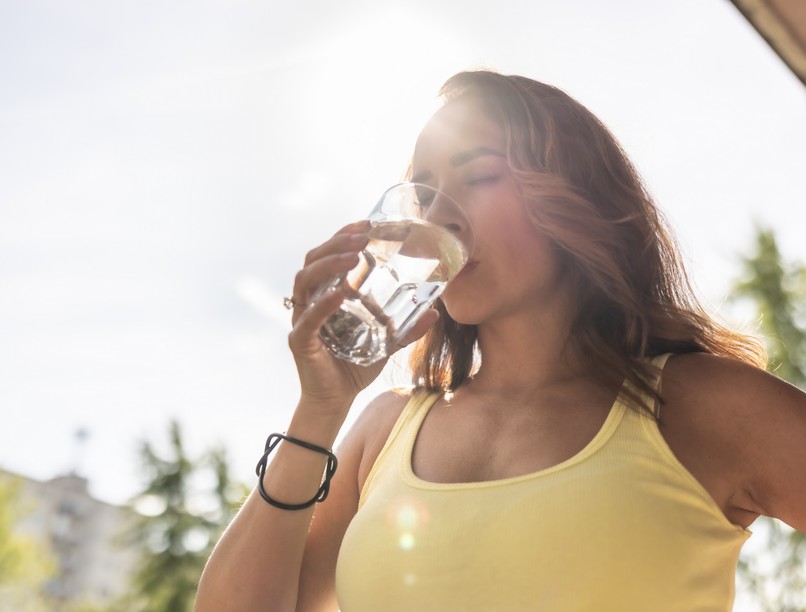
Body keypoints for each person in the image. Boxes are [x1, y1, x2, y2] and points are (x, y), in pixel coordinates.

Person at [195, 70, 806, 611]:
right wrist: (319, 409)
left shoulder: (704, 407)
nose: (443, 217)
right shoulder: (382, 434)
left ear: (578, 199)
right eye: (424, 192)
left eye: (480, 175)